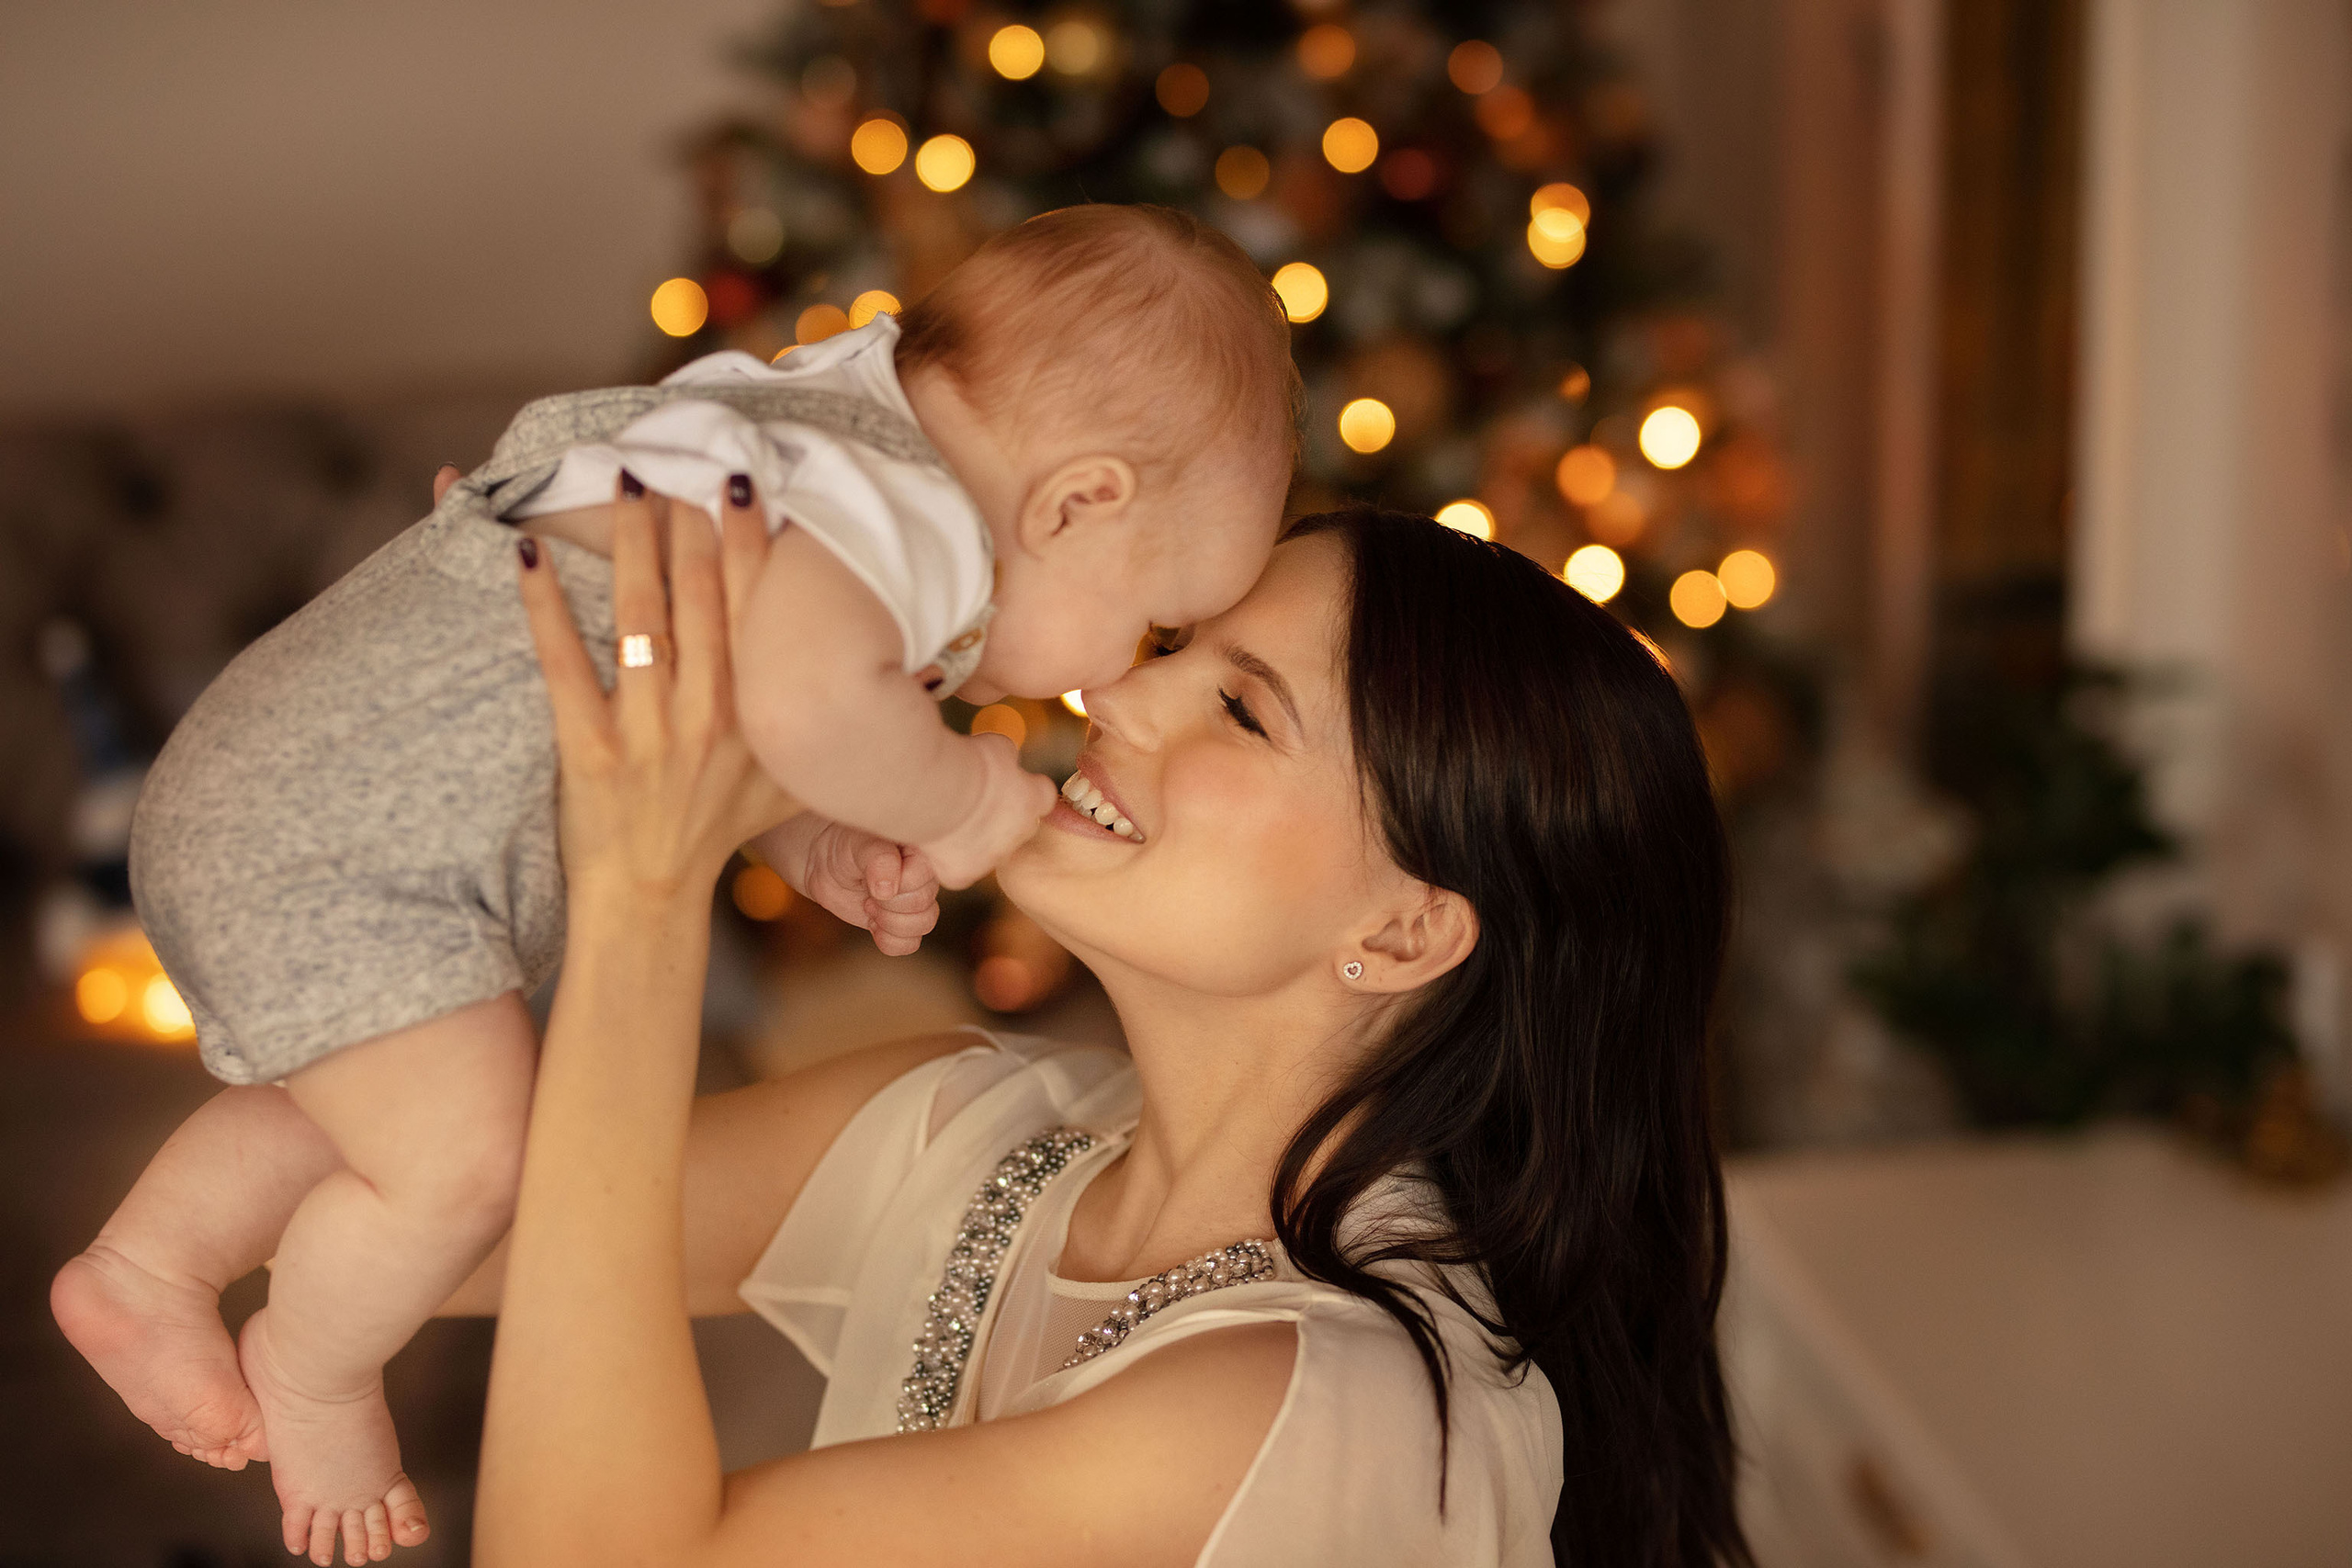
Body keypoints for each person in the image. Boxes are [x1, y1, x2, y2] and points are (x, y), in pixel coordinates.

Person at [51, 204, 1300, 1565]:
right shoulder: (910, 523)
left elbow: (723, 698)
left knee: (380, 1118)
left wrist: (816, 841)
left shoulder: (804, 431)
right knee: (469, 1161)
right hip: (346, 839)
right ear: (1078, 502)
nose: (1111, 675)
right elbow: (807, 695)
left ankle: (149, 1264)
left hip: (284, 798)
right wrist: (956, 797)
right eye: (1150, 620)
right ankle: (315, 1368)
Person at [453, 489, 1753, 1567]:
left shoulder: (1318, 1402)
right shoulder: (975, 1135)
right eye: (1171, 650)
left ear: (1405, 933)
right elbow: (418, 1206)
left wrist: (648, 892)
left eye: (1241, 709)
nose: (1111, 699)